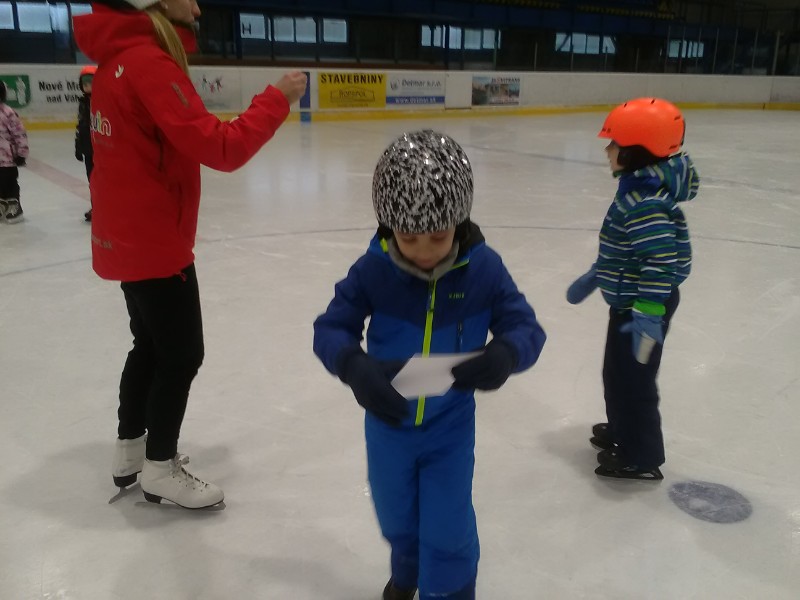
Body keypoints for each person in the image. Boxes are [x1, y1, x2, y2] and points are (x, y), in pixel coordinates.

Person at [73, 0, 307, 509]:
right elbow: (221, 147)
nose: (197, 6)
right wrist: (278, 99)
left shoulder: (117, 61)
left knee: (149, 345)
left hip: (127, 235)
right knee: (181, 355)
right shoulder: (148, 64)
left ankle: (131, 452)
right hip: (154, 241)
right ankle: (160, 467)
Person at [313, 130, 546, 600]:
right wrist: (353, 365)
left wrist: (507, 352)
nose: (422, 250)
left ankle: (449, 592)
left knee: (447, 528)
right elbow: (331, 327)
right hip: (388, 425)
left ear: (459, 223)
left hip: (449, 428)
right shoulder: (374, 270)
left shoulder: (483, 270)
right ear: (389, 227)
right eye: (408, 237)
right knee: (396, 519)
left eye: (437, 237)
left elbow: (525, 326)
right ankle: (407, 574)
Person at [566, 97, 700, 481]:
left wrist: (649, 312)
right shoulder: (634, 189)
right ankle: (623, 430)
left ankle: (642, 456)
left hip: (644, 307)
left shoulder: (646, 203)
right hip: (629, 301)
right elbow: (628, 249)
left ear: (637, 151)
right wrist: (599, 273)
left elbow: (659, 261)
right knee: (616, 372)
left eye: (614, 143)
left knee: (635, 380)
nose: (607, 150)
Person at [0, 81, 29, 224]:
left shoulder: (8, 113)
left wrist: (21, 153)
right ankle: (2, 206)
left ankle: (15, 207)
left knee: (9, 183)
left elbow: (19, 134)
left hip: (7, 159)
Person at [74, 65, 96, 222]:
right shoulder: (83, 103)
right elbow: (80, 124)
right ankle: (96, 206)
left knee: (103, 180)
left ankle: (107, 207)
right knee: (92, 179)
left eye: (91, 82)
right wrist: (78, 145)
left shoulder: (103, 100)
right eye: (85, 83)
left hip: (102, 148)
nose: (88, 86)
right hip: (88, 148)